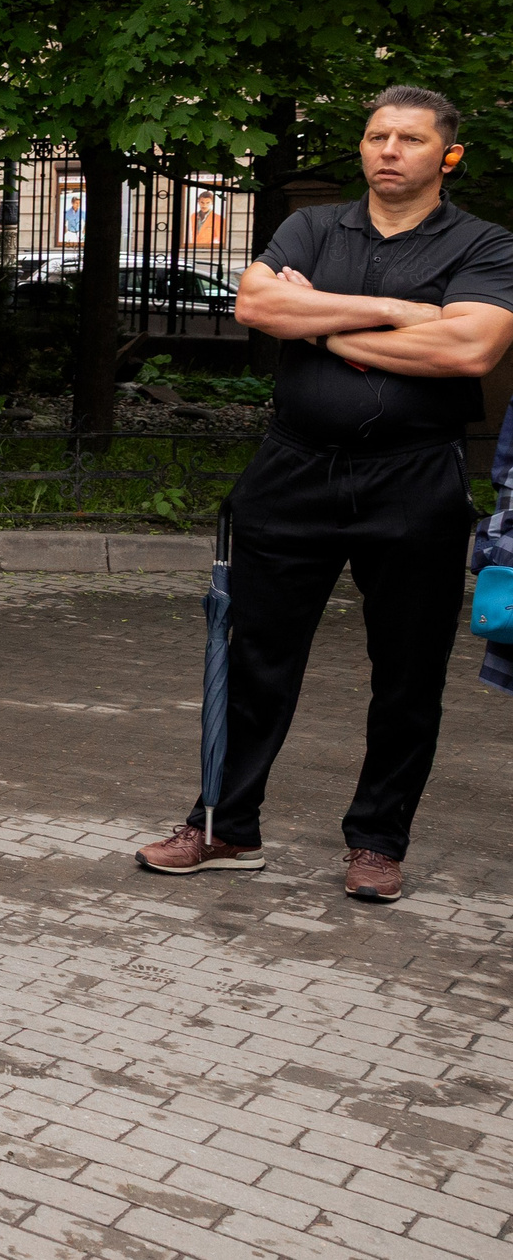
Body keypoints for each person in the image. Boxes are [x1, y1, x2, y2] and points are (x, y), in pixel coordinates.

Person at [138, 84, 513, 903]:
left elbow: (471, 348)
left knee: (407, 672)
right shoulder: (312, 225)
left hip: (415, 478)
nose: (388, 150)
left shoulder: (484, 244)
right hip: (293, 469)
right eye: (377, 135)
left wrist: (318, 318)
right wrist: (395, 313)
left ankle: (378, 841)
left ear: (447, 153)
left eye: (410, 139)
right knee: (253, 658)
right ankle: (225, 823)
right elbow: (254, 302)